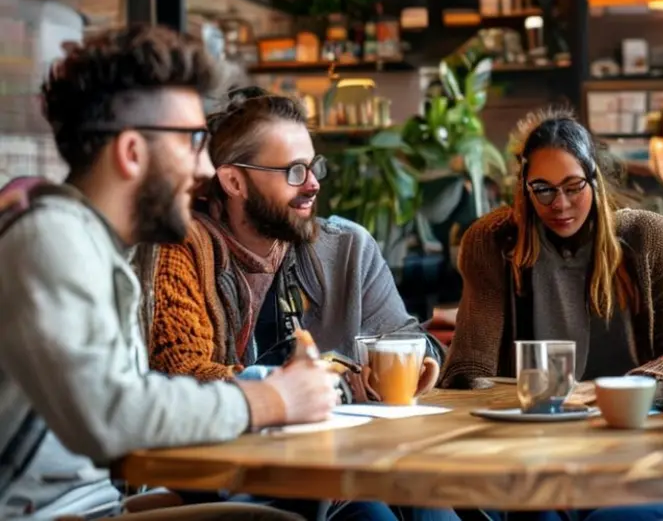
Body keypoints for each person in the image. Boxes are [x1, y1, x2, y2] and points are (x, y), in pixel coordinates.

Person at [0, 27, 339, 520]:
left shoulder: (94, 245)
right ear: (132, 151)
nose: (206, 168)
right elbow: (110, 415)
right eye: (194, 140)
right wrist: (268, 400)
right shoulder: (48, 237)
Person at [138, 87, 442, 402]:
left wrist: (420, 363)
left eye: (313, 166)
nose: (313, 184)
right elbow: (183, 377)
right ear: (234, 182)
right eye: (294, 171)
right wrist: (333, 384)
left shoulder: (348, 250)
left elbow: (408, 343)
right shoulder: (181, 250)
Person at [440, 108, 663, 409]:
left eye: (573, 187)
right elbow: (469, 368)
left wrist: (619, 393)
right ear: (525, 189)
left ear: (594, 181)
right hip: (529, 423)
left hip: (630, 418)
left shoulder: (650, 236)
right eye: (543, 190)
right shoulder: (493, 240)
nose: (560, 204)